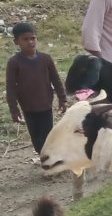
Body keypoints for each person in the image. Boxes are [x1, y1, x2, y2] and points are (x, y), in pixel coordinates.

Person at [6, 22, 67, 154]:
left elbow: (56, 80)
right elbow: (10, 88)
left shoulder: (46, 59)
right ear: (16, 42)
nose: (30, 42)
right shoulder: (14, 62)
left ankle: (49, 158)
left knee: (48, 136)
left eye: (33, 38)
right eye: (25, 39)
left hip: (46, 105)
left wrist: (62, 99)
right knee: (36, 139)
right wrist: (14, 110)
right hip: (28, 107)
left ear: (36, 39)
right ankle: (43, 156)